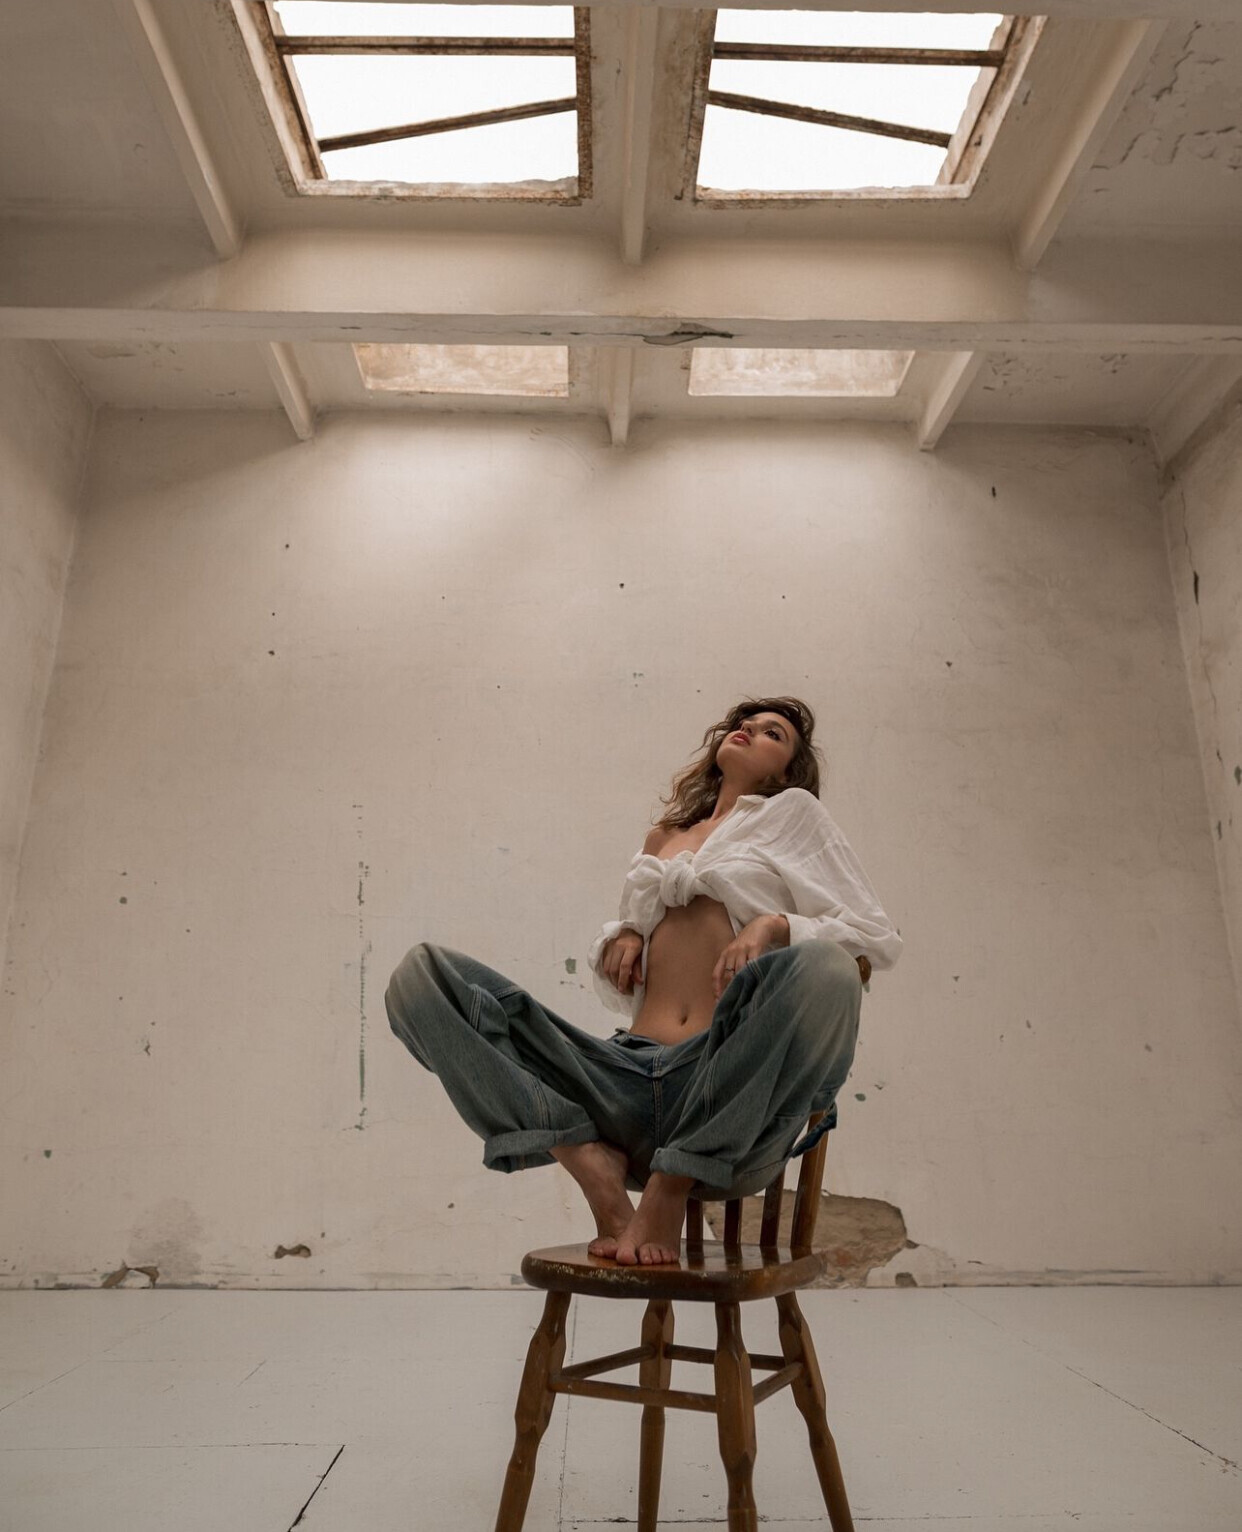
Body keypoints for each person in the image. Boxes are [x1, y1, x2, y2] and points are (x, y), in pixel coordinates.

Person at [385, 696, 901, 1267]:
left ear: (787, 771)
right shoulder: (663, 839)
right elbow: (631, 971)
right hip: (622, 1082)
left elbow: (873, 935)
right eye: (743, 723)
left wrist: (776, 925)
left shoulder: (794, 816)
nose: (747, 730)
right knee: (419, 979)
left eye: (771, 733)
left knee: (829, 967)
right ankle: (587, 1160)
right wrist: (626, 932)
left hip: (725, 1093)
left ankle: (672, 1183)